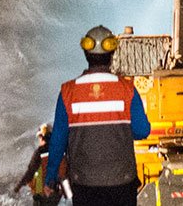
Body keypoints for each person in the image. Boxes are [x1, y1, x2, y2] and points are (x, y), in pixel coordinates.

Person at [45, 25, 151, 206]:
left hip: (84, 185)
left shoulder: (68, 92)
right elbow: (142, 131)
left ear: (86, 54)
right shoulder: (127, 89)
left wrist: (50, 178)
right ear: (111, 55)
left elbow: (58, 140)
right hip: (122, 184)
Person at [15, 124, 61, 206]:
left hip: (42, 194)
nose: (39, 140)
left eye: (40, 137)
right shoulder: (59, 151)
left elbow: (30, 171)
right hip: (56, 193)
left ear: (44, 137)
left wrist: (19, 185)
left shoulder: (40, 152)